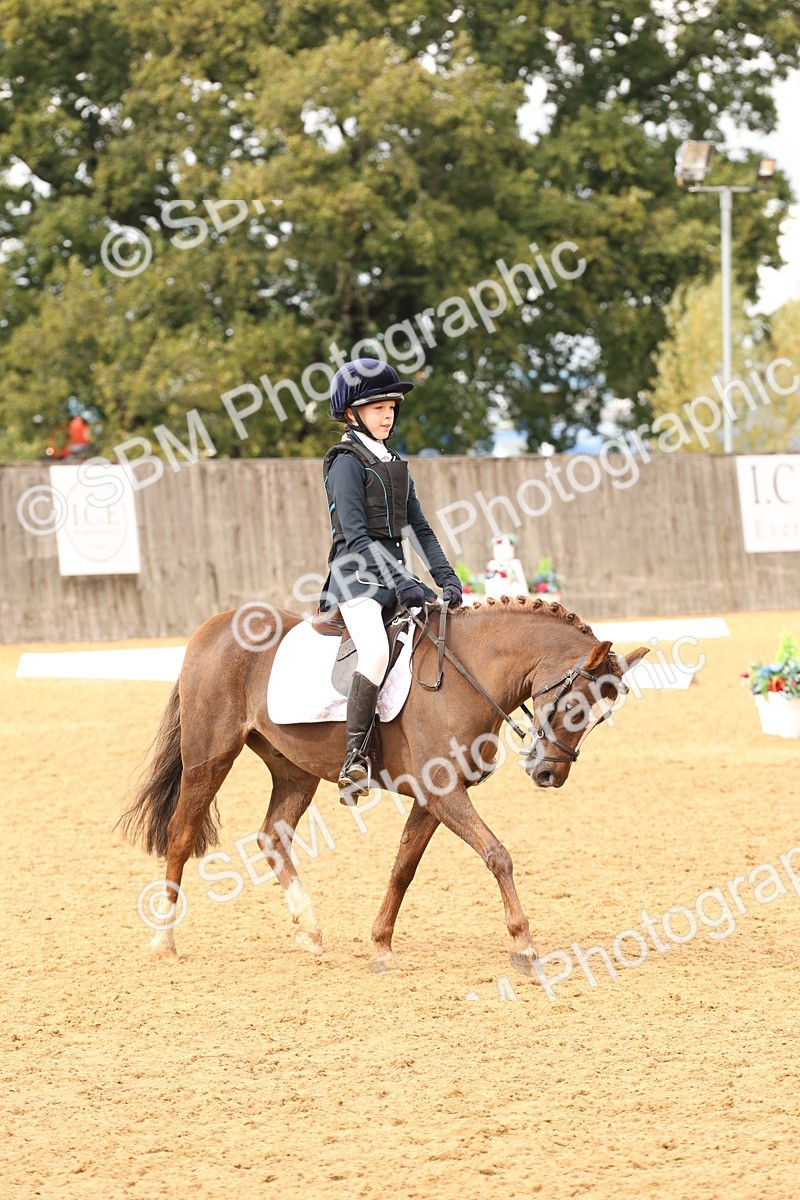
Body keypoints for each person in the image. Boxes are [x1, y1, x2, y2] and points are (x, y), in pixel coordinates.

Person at [320, 358, 463, 803]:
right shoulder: (345, 462)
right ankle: (354, 759)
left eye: (391, 406)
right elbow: (358, 536)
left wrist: (446, 578)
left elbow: (419, 528)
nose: (387, 414)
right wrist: (402, 580)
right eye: (377, 407)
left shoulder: (394, 461)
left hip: (395, 578)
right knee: (377, 652)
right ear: (351, 413)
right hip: (357, 580)